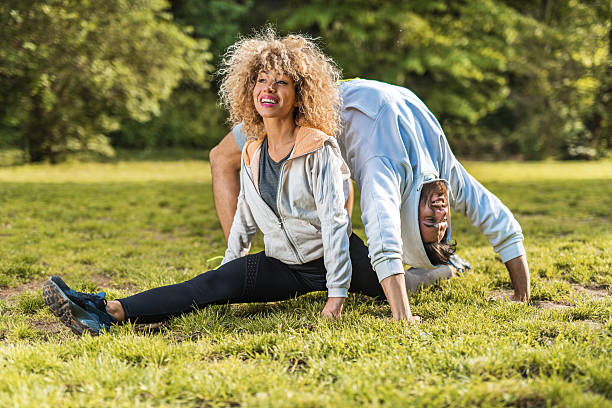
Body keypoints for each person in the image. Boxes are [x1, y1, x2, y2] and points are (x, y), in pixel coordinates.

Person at [42, 32, 403, 336]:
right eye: (261, 80)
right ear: (250, 88)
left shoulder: (317, 148)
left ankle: (442, 267)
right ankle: (106, 311)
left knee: (398, 283)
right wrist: (231, 269)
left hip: (335, 258)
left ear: (300, 94)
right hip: (283, 264)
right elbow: (245, 218)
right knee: (209, 285)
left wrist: (335, 297)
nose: (269, 89)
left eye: (281, 82)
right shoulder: (252, 151)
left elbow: (336, 225)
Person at [211, 78, 531, 321]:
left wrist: (403, 316)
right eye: (441, 223)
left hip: (329, 105)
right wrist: (521, 293)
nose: (440, 211)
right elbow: (498, 220)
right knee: (222, 159)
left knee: (337, 174)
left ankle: (282, 267)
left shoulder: (391, 170)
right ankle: (238, 271)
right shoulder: (433, 171)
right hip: (323, 98)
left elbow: (384, 235)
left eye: (431, 221)